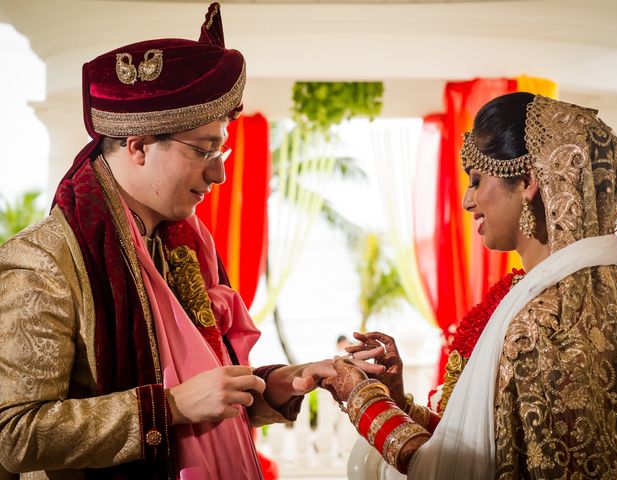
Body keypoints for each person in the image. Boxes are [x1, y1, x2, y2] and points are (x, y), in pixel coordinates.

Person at [0, 4, 383, 479]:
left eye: (220, 150)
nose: (219, 173)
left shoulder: (180, 244)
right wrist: (170, 407)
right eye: (203, 150)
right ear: (137, 145)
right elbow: (13, 435)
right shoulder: (44, 261)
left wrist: (274, 386)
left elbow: (201, 393)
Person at [322, 92, 617, 479]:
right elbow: (496, 447)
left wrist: (362, 398)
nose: (467, 200)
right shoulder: (588, 303)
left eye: (476, 180)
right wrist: (397, 399)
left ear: (527, 181)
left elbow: (454, 472)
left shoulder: (540, 324)